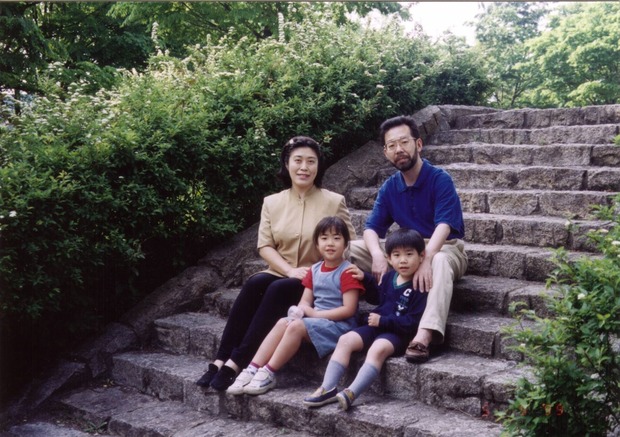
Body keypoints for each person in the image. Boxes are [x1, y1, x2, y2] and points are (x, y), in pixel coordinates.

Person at [196, 136, 357, 391]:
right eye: (298, 160)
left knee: (278, 289)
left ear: (318, 166)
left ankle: (236, 363)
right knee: (255, 283)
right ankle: (219, 360)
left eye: (311, 161)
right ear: (286, 164)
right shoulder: (272, 202)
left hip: (314, 278)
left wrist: (341, 269)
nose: (304, 167)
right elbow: (265, 246)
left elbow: (349, 242)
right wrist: (289, 270)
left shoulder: (333, 201)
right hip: (283, 270)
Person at [348, 115, 468, 363]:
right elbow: (370, 229)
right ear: (385, 152)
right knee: (350, 249)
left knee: (439, 261)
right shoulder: (390, 187)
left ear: (418, 144)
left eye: (404, 142)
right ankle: (342, 313)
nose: (399, 149)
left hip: (444, 247)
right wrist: (378, 255)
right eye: (392, 145)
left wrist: (427, 258)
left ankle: (424, 335)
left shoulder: (439, 179)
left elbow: (444, 226)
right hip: (406, 250)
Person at [225, 216, 363, 396]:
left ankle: (268, 372)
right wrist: (299, 311)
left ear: (345, 244)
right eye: (324, 238)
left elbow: (349, 310)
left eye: (336, 238)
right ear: (316, 244)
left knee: (296, 327)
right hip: (317, 322)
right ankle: (252, 368)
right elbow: (305, 301)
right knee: (283, 322)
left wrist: (314, 315)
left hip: (339, 326)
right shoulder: (314, 269)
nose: (330, 243)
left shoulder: (347, 271)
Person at [303, 228, 427, 410]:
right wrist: (366, 278)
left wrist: (383, 321)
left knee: (378, 349)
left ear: (421, 256)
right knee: (345, 340)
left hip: (398, 333)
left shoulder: (420, 284)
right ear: (388, 258)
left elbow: (413, 322)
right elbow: (377, 297)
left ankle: (351, 392)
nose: (403, 260)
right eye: (397, 255)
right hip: (376, 324)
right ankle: (327, 388)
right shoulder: (390, 277)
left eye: (409, 254)